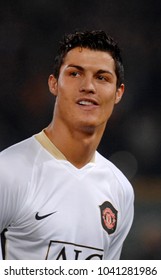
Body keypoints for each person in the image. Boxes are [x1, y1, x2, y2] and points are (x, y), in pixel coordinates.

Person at [0, 30, 134, 260]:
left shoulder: (120, 190)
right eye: (75, 73)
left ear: (118, 92)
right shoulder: (9, 172)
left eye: (102, 77)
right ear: (54, 84)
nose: (88, 86)